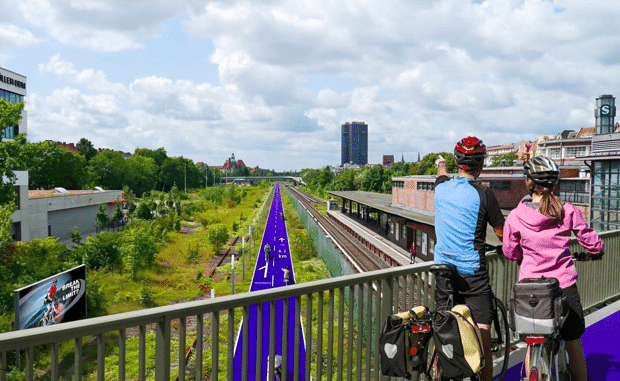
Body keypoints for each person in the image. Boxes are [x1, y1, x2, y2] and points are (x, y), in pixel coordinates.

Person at [503, 156, 604, 381]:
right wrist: (597, 249)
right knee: (573, 341)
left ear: (529, 182)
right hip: (563, 287)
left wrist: (524, 257)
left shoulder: (516, 215)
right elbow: (589, 240)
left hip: (530, 290)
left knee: (532, 341)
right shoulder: (567, 210)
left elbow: (510, 252)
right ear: (554, 183)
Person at [433, 136, 504, 381]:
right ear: (481, 164)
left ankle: (439, 371)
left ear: (457, 162)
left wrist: (441, 163)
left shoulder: (441, 188)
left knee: (443, 325)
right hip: (473, 271)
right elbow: (502, 233)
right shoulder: (485, 194)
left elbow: (442, 173)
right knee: (483, 327)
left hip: (443, 270)